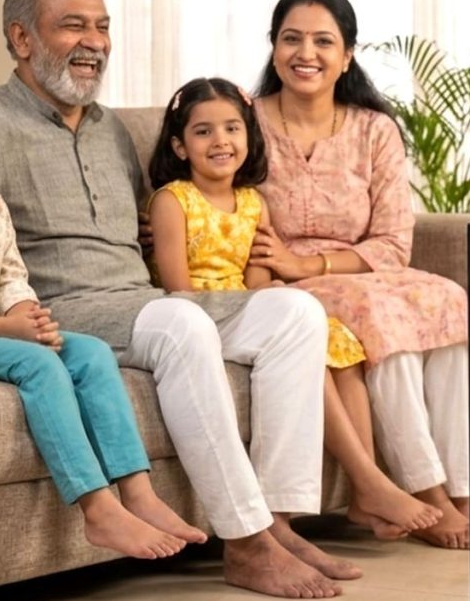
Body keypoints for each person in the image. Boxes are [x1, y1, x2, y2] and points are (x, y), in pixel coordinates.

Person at [0, 0, 360, 598]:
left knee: (295, 314)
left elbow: (151, 218)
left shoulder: (110, 129)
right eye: (73, 26)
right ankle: (245, 543)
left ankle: (278, 521)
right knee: (181, 322)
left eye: (102, 27)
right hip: (65, 308)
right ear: (21, 38)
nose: (94, 42)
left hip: (143, 300)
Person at [0, 51, 207, 560]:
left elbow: (12, 277)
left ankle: (139, 494)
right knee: (38, 363)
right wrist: (8, 331)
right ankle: (97, 509)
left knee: (90, 352)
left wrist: (27, 315)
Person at [146, 76, 442, 540]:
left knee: (338, 344)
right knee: (301, 340)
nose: (220, 141)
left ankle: (364, 491)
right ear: (180, 146)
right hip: (198, 316)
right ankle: (370, 482)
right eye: (203, 132)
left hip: (246, 312)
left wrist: (273, 303)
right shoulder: (172, 201)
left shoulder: (253, 203)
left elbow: (259, 284)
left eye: (231, 128)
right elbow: (177, 290)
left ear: (248, 136)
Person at [250, 0, 470, 549]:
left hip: (359, 270)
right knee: (379, 314)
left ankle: (464, 490)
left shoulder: (375, 129)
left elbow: (394, 243)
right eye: (292, 39)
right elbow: (202, 189)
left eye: (323, 41)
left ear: (347, 55)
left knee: (450, 300)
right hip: (283, 285)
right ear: (274, 47)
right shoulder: (245, 124)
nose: (306, 53)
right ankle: (425, 490)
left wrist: (313, 262)